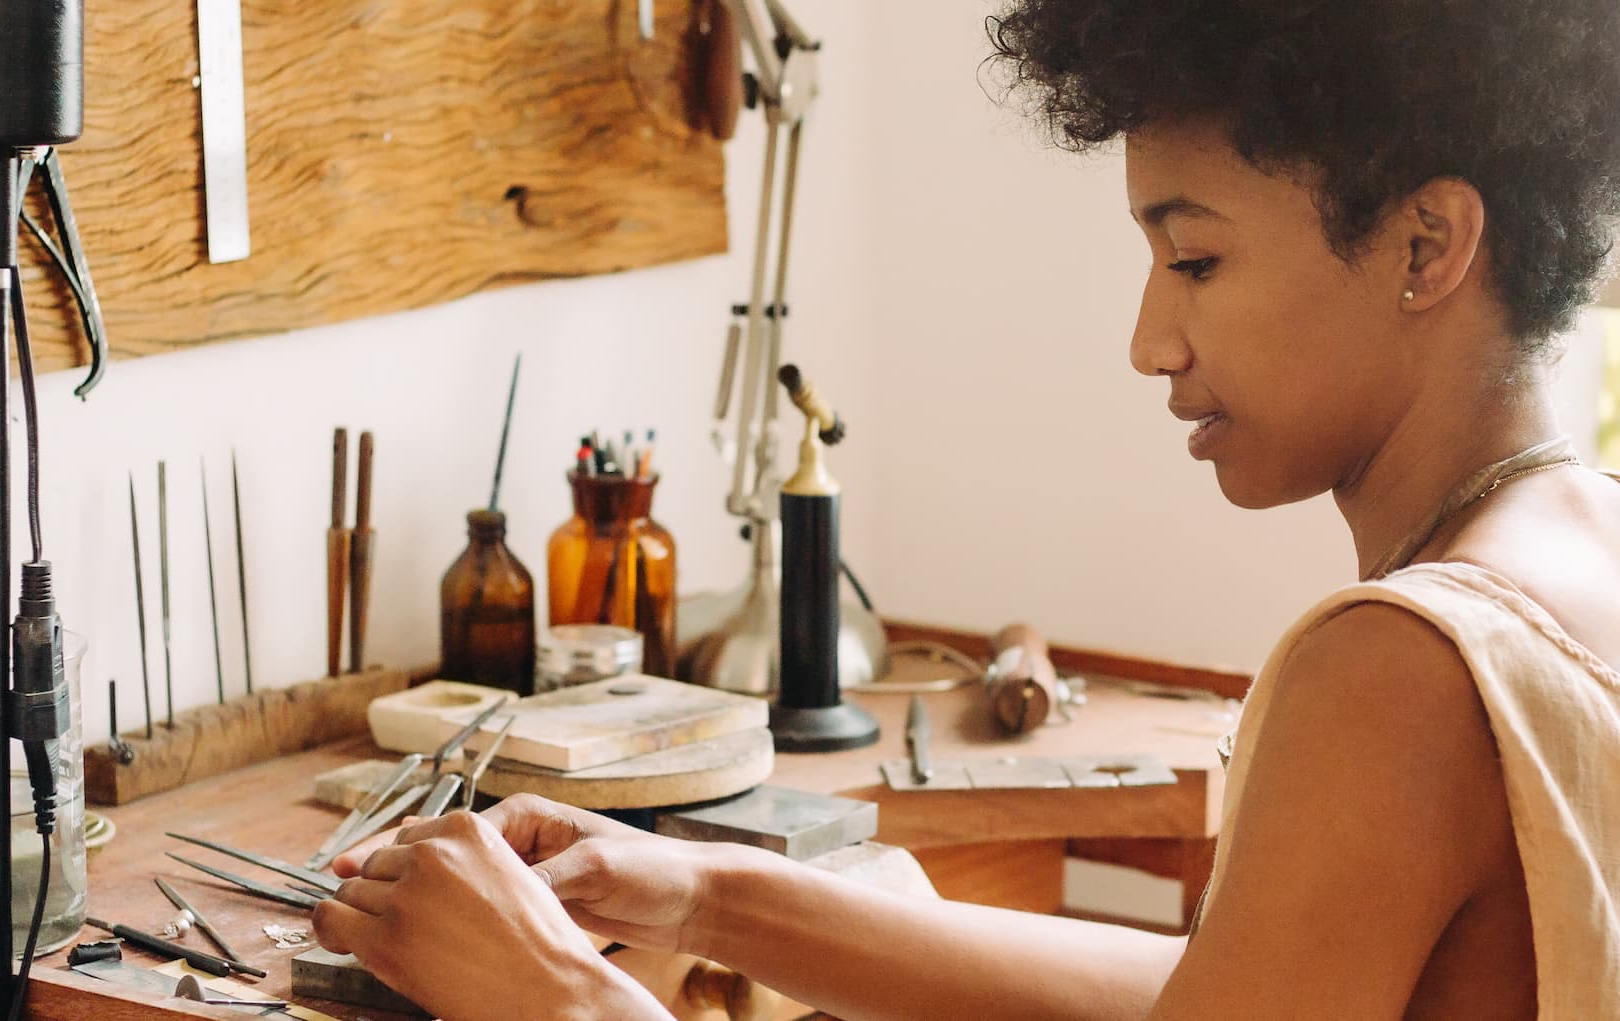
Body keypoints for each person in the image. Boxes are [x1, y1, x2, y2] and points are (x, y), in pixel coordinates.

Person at [311, 1, 1620, 1016]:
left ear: (1427, 245)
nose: (1150, 339)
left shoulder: (1397, 669)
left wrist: (560, 994)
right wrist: (704, 887)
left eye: (1196, 259)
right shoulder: (1582, 555)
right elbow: (1228, 991)